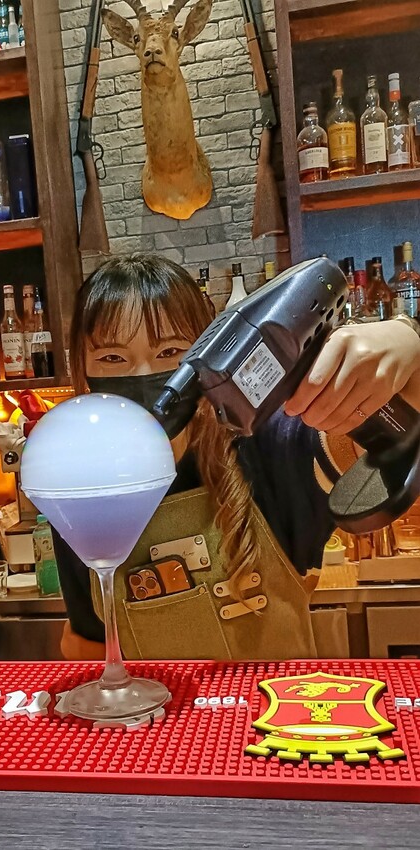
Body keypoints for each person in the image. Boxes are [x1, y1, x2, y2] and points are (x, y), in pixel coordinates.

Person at [54, 253, 420, 661]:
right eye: (112, 358)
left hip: (281, 703)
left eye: (170, 351)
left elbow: (364, 442)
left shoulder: (269, 445)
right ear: (81, 370)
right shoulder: (75, 497)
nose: (142, 376)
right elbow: (88, 647)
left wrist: (409, 348)